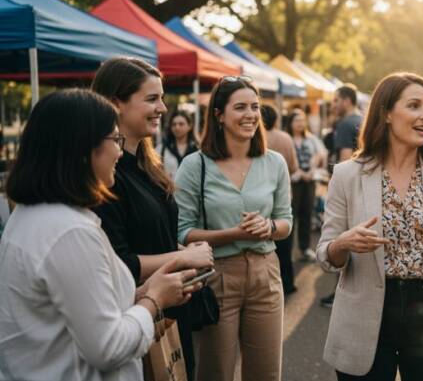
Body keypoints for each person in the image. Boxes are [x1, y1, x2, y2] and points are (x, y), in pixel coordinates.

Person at [0, 89, 200, 380]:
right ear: (82, 148)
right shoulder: (69, 232)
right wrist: (154, 299)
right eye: (115, 139)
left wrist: (145, 291)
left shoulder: (32, 215)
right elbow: (108, 348)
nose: (120, 151)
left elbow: (76, 309)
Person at [316, 72, 423, 380]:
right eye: (414, 106)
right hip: (366, 314)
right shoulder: (348, 175)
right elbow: (326, 254)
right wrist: (344, 243)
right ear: (386, 113)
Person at [91, 57, 214, 380]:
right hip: (136, 318)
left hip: (171, 311)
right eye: (151, 99)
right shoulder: (107, 178)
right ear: (116, 102)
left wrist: (185, 256)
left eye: (161, 98)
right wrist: (183, 256)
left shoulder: (147, 164)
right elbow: (120, 261)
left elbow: (153, 233)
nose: (162, 107)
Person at [175, 76, 293, 381]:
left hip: (266, 274)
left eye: (255, 107)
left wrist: (268, 226)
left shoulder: (275, 162)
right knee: (215, 372)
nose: (250, 114)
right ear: (219, 115)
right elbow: (183, 232)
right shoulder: (194, 165)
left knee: (266, 373)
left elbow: (286, 223)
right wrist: (234, 234)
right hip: (215, 276)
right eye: (240, 107)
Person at [321, 84, 363, 309]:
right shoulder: (363, 119)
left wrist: (335, 190)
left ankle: (341, 294)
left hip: (349, 189)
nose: (333, 105)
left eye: (336, 100)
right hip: (365, 188)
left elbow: (345, 160)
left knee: (341, 240)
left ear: (347, 100)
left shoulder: (346, 124)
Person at [261, 103, 300, 295]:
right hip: (284, 195)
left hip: (261, 199)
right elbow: (293, 167)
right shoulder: (285, 138)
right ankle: (288, 283)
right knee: (285, 244)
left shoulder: (255, 137)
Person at [286, 108, 326, 262]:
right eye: (297, 120)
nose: (300, 124)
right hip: (292, 182)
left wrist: (313, 167)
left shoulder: (311, 139)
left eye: (303, 120)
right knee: (291, 215)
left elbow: (321, 153)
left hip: (309, 182)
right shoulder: (287, 138)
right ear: (290, 123)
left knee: (307, 214)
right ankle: (288, 250)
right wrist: (301, 172)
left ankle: (304, 248)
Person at [157, 109, 199, 178]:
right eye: (174, 124)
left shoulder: (197, 148)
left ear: (190, 126)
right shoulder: (162, 148)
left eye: (181, 124)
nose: (177, 127)